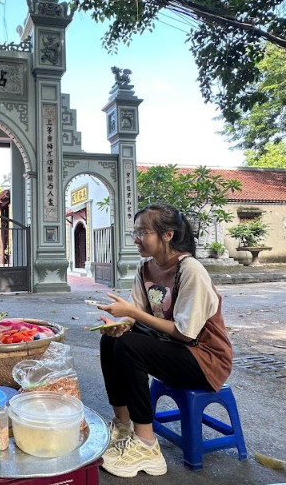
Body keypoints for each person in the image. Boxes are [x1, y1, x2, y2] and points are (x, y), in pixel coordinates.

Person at [94, 202, 233, 478]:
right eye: (135, 232)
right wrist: (120, 323)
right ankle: (123, 427)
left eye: (143, 232)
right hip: (173, 349)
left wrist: (131, 314)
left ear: (167, 235)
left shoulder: (190, 270)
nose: (137, 239)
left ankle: (147, 445)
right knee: (113, 340)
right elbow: (137, 317)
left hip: (204, 360)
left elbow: (185, 332)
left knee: (130, 346)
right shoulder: (145, 268)